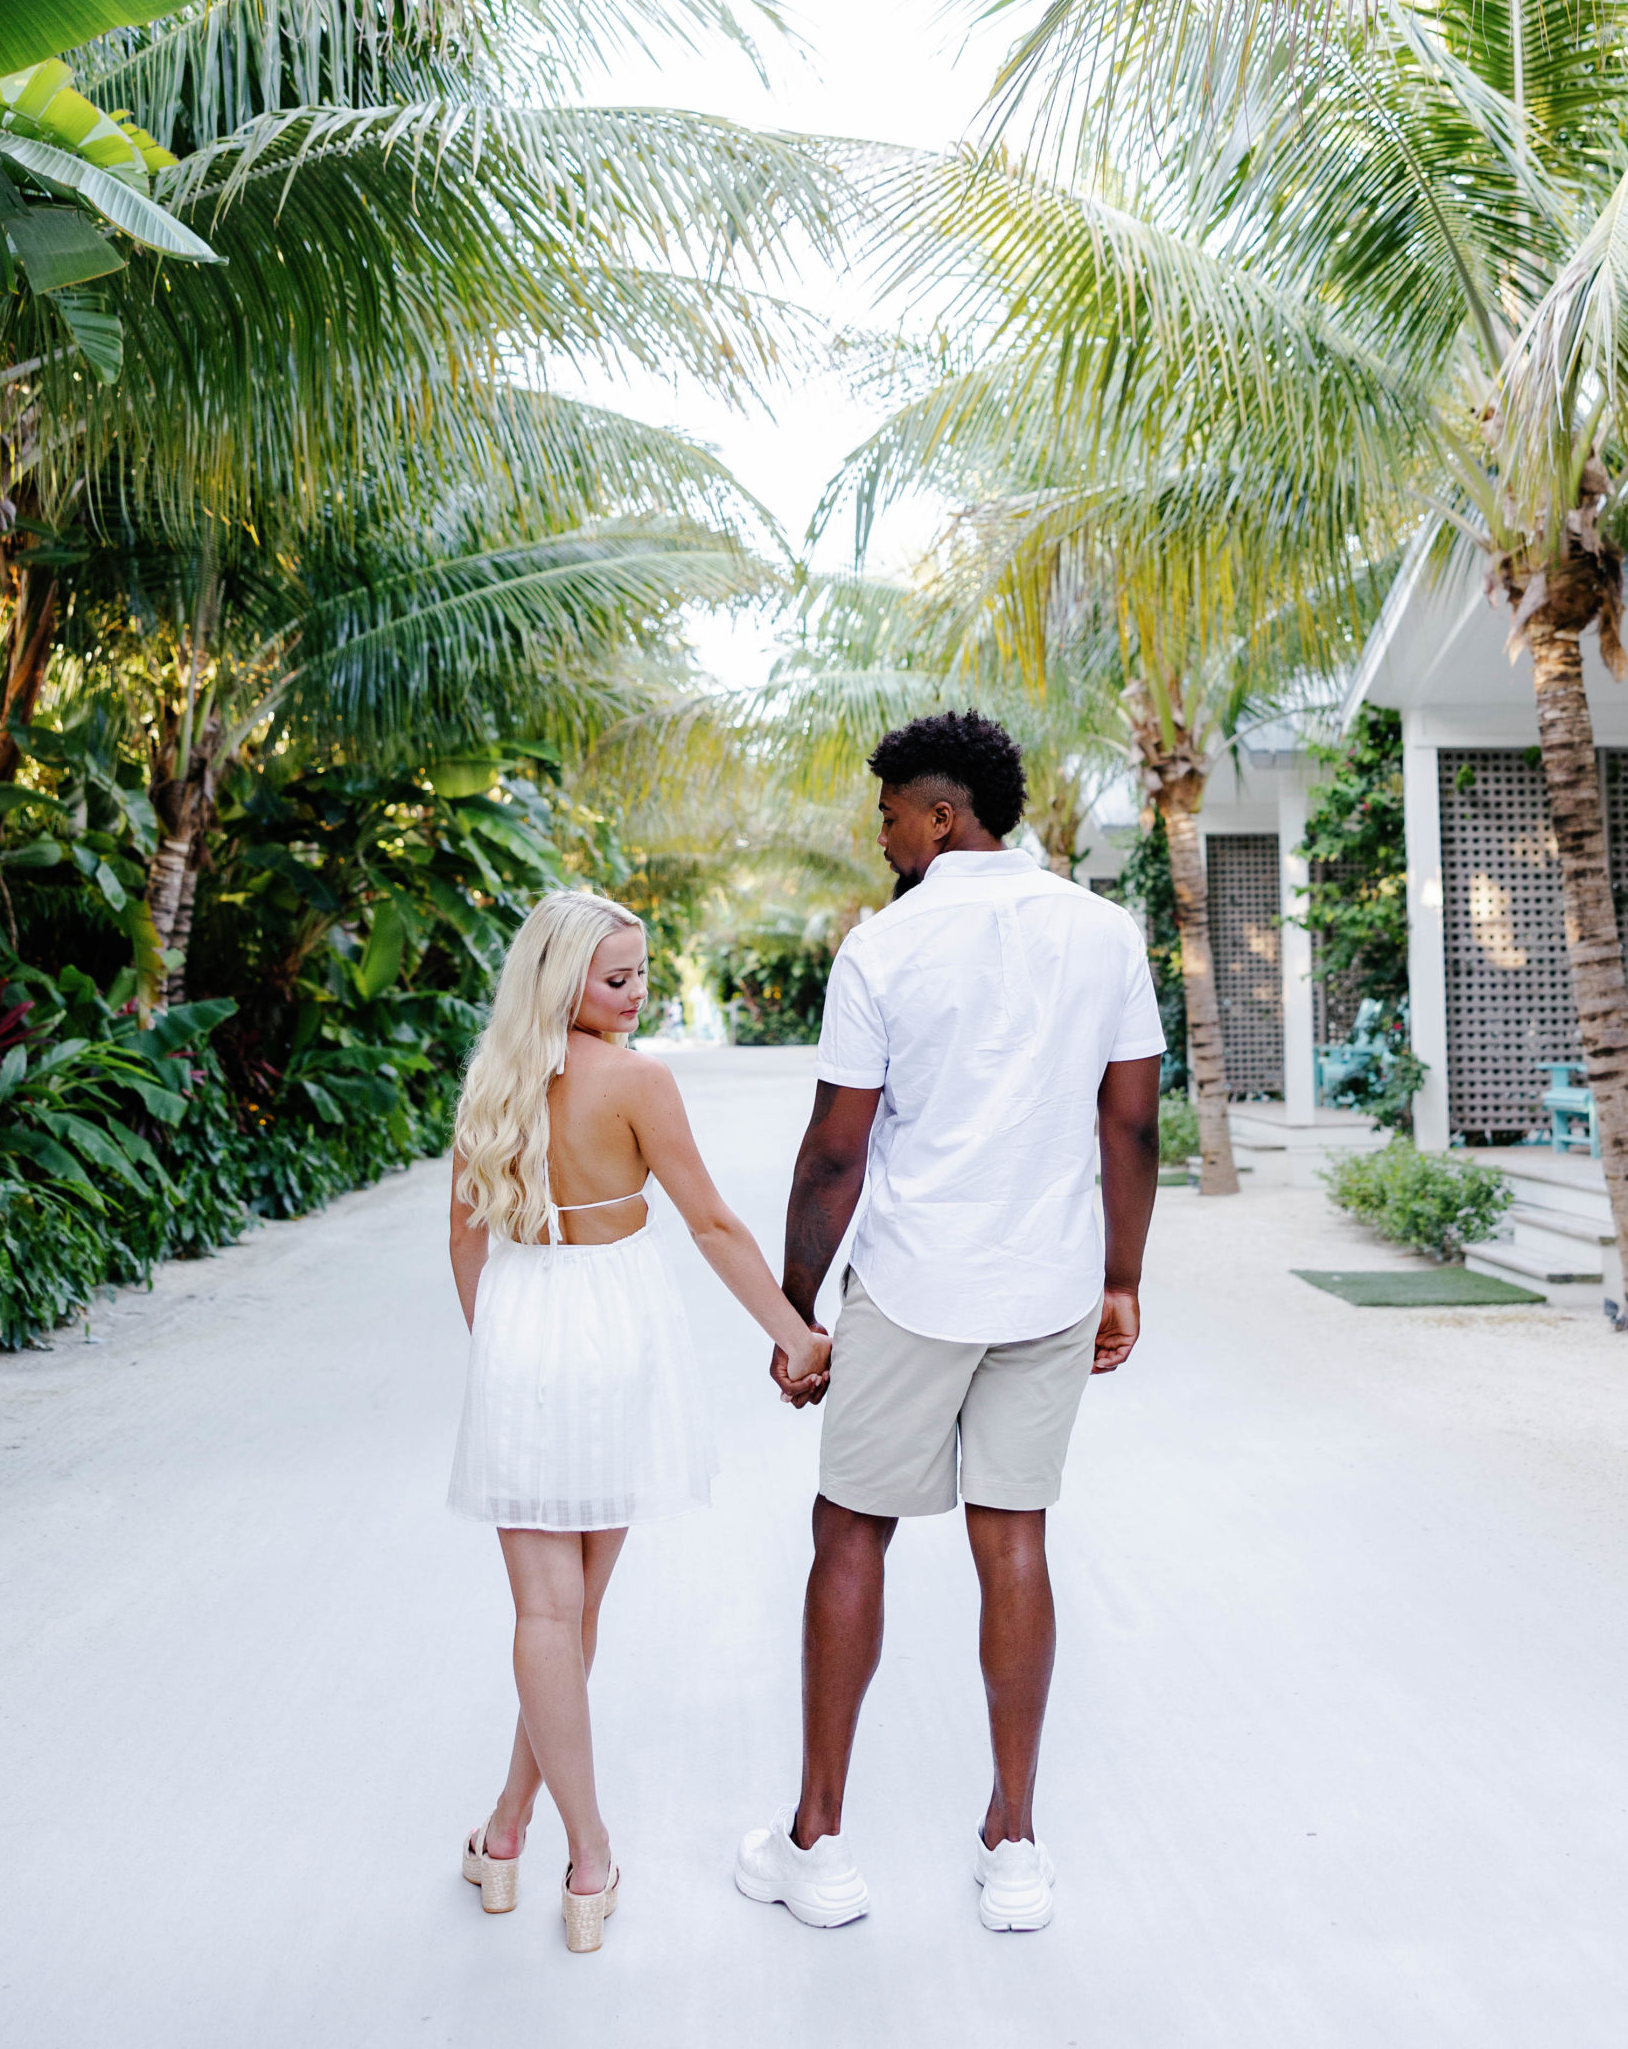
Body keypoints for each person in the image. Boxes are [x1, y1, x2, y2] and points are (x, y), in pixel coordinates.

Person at [735, 710, 1164, 1934]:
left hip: (917, 1283)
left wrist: (796, 1309)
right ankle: (1013, 1845)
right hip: (1048, 1283)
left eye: (887, 814)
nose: (880, 835)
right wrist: (1121, 1277)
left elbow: (835, 1152)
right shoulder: (1103, 932)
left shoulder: (885, 949)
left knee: (851, 1532)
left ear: (940, 816)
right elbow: (1129, 1127)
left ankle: (818, 1843)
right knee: (1012, 1538)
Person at [447, 889, 830, 1952]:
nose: (637, 990)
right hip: (614, 1329)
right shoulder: (638, 1082)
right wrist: (796, 1332)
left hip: (521, 1325)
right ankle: (589, 1856)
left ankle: (512, 1831)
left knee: (545, 1616)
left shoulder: (492, 1083)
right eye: (617, 976)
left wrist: (502, 1353)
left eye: (642, 972)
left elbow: (465, 1243)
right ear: (560, 978)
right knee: (576, 1615)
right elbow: (709, 1221)